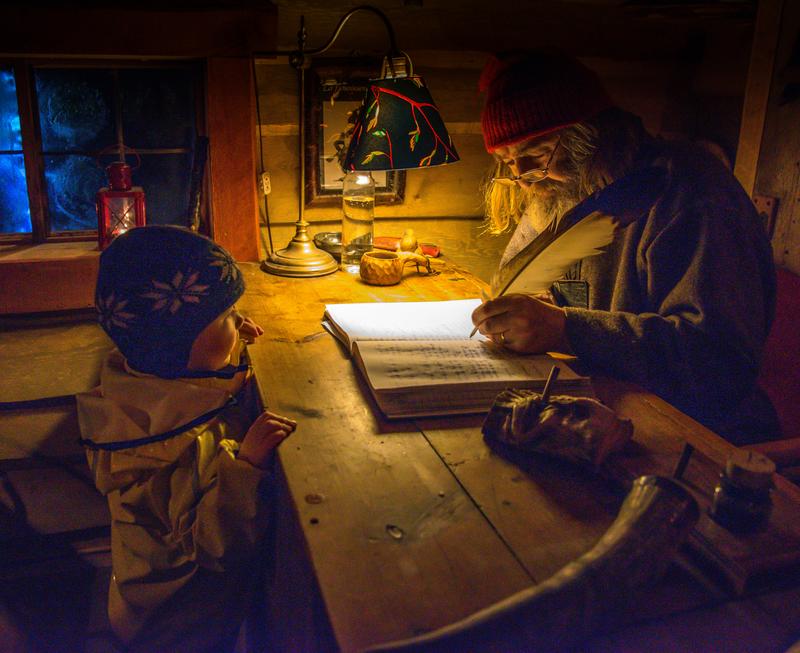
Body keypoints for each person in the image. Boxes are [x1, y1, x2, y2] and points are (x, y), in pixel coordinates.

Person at [471, 49, 780, 445]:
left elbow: (718, 359)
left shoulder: (692, 197)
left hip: (702, 439)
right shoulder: (562, 191)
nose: (526, 180)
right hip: (603, 413)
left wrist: (565, 328)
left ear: (592, 136)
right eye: (508, 163)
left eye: (536, 155)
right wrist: (531, 310)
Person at [76, 225, 297, 652]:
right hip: (178, 613)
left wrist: (229, 340)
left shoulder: (148, 376)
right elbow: (214, 545)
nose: (239, 321)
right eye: (227, 317)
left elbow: (198, 370)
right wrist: (245, 468)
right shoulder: (164, 445)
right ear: (176, 342)